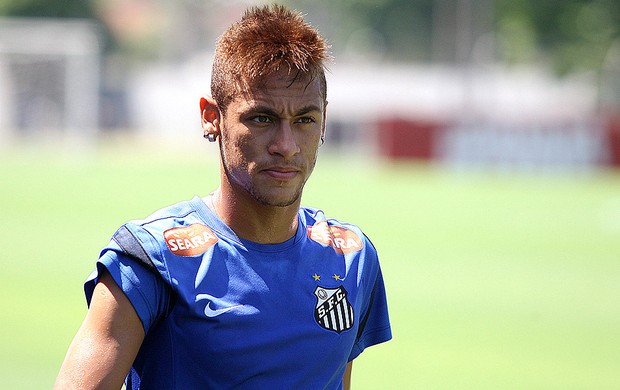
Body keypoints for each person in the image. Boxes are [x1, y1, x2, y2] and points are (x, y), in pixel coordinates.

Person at [55, 4, 391, 389]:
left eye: (304, 120)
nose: (286, 145)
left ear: (324, 121)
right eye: (261, 118)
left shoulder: (351, 258)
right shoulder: (150, 261)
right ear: (211, 117)